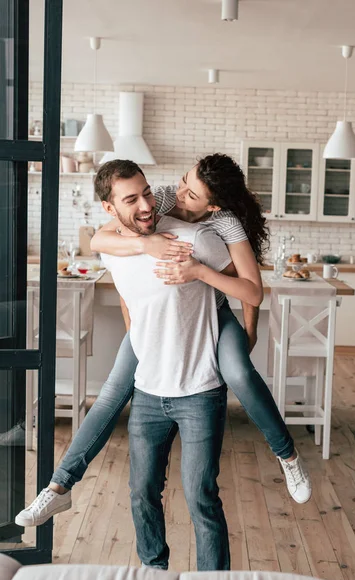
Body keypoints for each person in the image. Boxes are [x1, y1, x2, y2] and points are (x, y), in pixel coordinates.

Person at [15, 155, 311, 531]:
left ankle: (287, 456)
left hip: (215, 309)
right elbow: (103, 238)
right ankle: (60, 486)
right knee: (109, 395)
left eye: (192, 193)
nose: (178, 193)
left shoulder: (224, 224)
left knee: (239, 372)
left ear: (213, 205)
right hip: (156, 324)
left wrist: (243, 325)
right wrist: (147, 247)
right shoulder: (163, 199)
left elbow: (252, 290)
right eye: (183, 181)